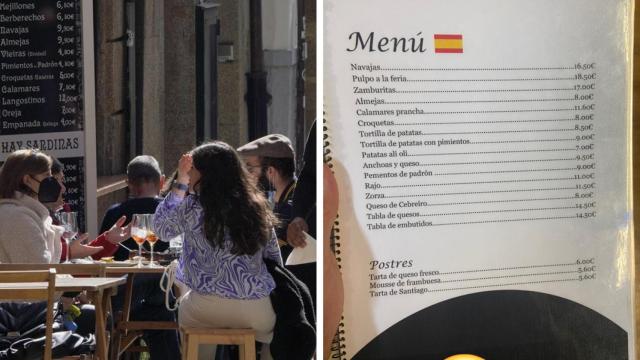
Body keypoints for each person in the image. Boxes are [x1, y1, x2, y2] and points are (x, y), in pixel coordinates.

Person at [153, 141, 283, 360]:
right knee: (278, 331)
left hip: (206, 307)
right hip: (256, 309)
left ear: (205, 173)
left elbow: (162, 229)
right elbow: (275, 261)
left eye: (192, 169)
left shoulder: (192, 206)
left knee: (189, 315)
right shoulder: (256, 207)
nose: (189, 173)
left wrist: (181, 182)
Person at [0, 149, 95, 341]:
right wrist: (73, 285)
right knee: (94, 319)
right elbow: (40, 275)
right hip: (20, 320)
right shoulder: (17, 217)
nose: (54, 183)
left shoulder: (26, 213)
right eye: (47, 176)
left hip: (23, 314)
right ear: (27, 180)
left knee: (91, 316)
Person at [99, 155, 180, 360]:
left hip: (123, 303)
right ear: (161, 181)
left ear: (128, 183)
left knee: (160, 314)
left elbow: (103, 256)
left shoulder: (116, 214)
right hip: (166, 296)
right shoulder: (170, 212)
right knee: (164, 315)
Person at [237, 134, 297, 259]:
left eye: (250, 169)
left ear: (270, 171)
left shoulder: (289, 209)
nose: (247, 176)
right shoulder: (286, 199)